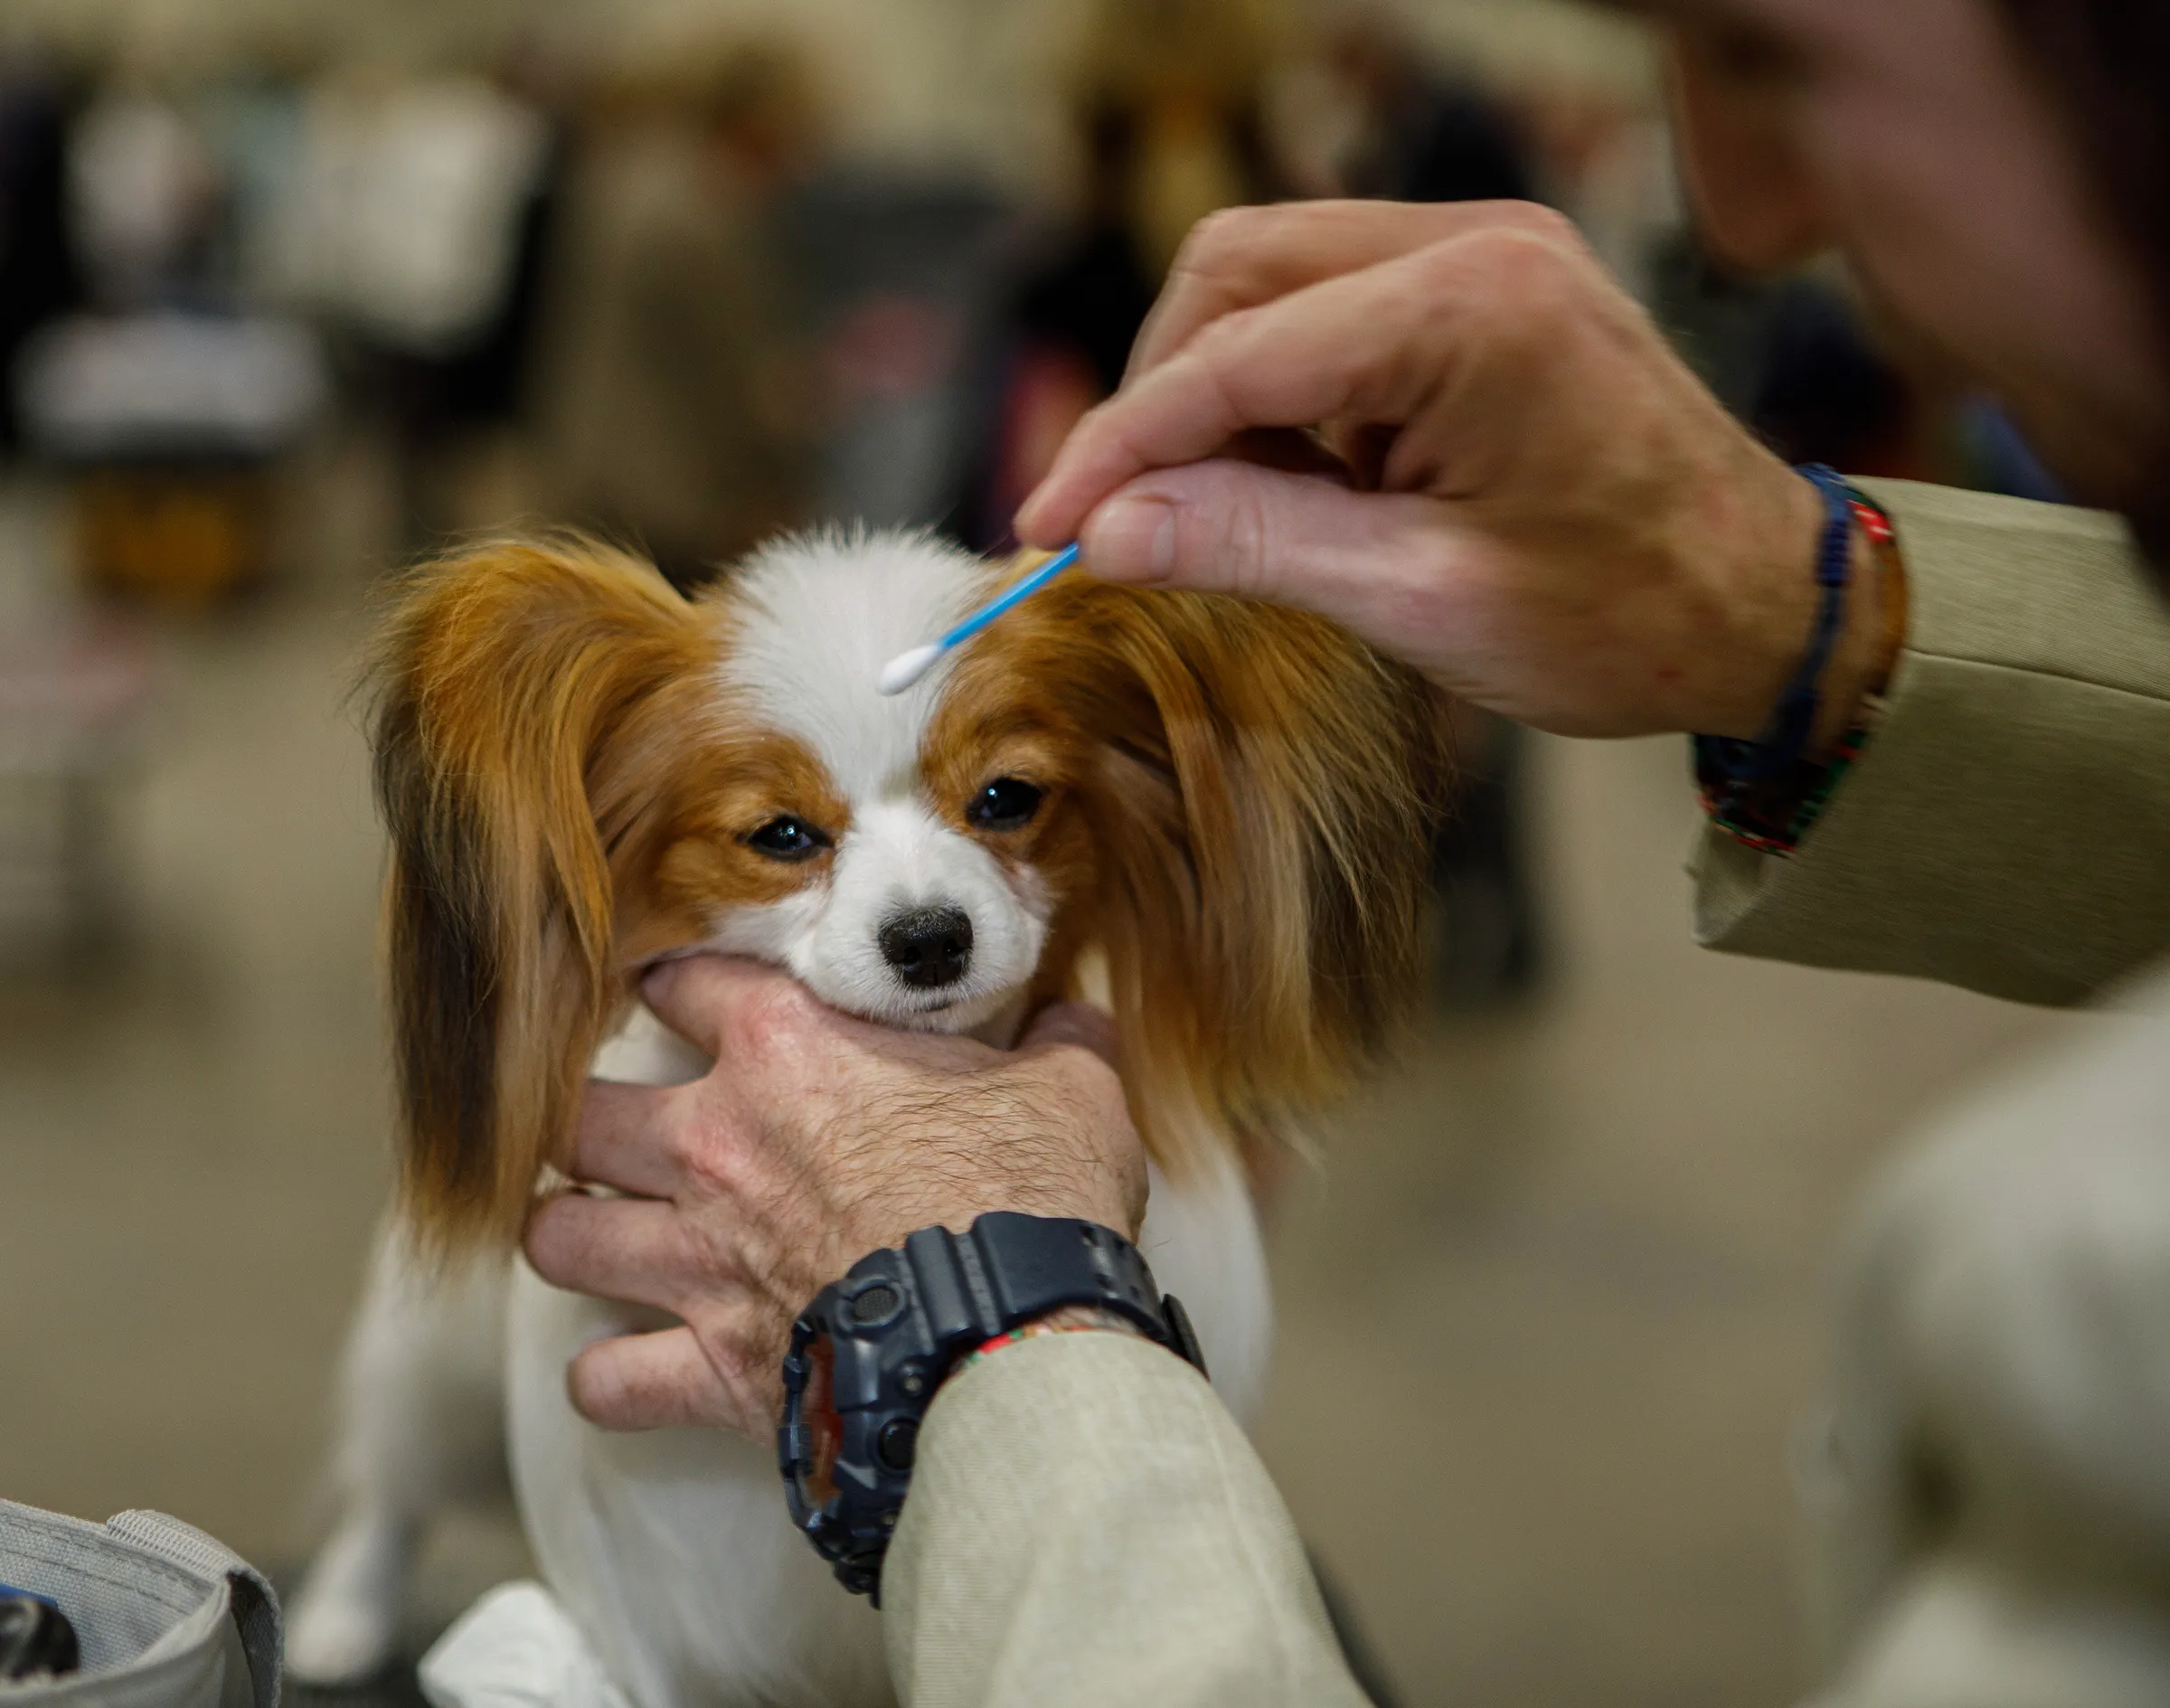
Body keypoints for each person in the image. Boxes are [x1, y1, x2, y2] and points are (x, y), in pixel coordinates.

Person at [524, 0, 2170, 1702]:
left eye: (1768, 56)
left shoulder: (2089, 1266)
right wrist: (1802, 610)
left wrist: (979, 1317)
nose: (1737, 212)